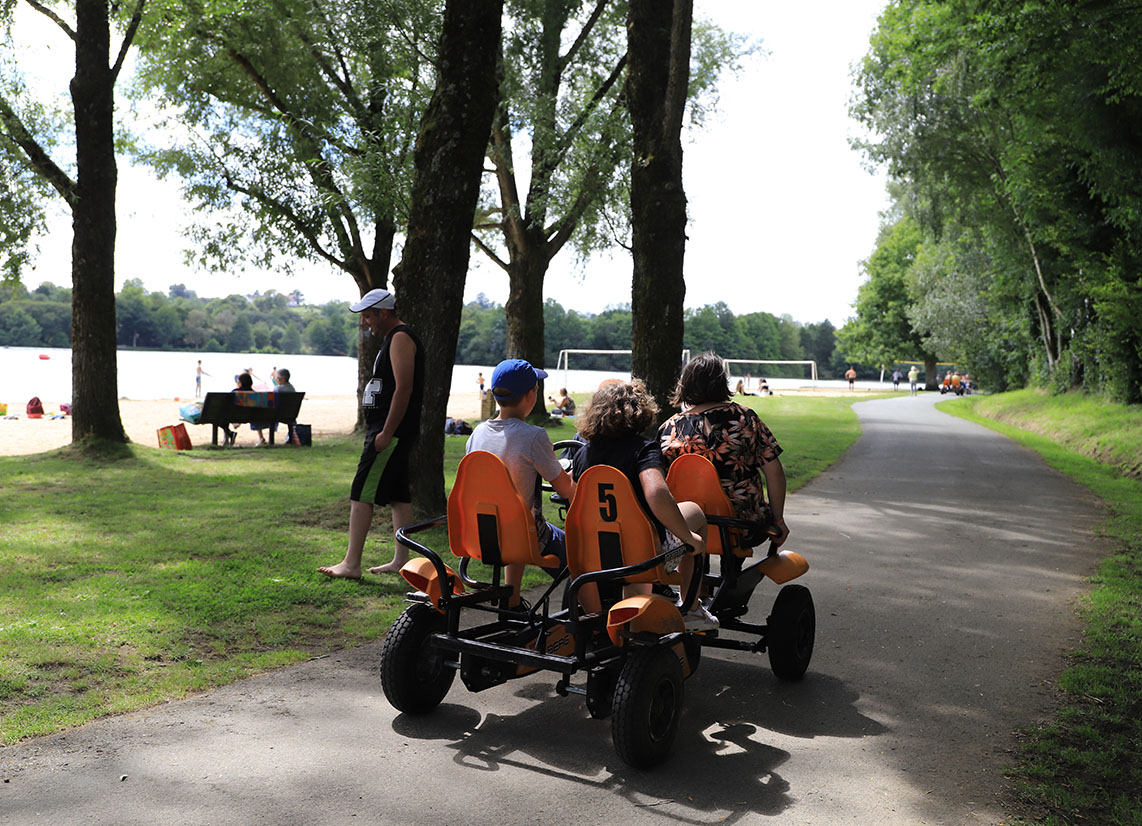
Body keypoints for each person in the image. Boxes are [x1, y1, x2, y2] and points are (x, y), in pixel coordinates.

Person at [571, 379, 715, 630]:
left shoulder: (583, 454)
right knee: (695, 512)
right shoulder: (644, 449)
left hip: (596, 553)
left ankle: (616, 623)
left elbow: (575, 506)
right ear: (640, 411)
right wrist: (688, 538)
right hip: (645, 553)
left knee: (631, 538)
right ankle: (691, 608)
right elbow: (657, 492)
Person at [318, 288, 424, 579]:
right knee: (399, 495)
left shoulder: (401, 338)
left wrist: (386, 432)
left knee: (361, 492)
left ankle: (351, 564)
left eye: (368, 315)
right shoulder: (393, 338)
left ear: (384, 312)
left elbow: (404, 388)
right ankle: (401, 561)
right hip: (390, 430)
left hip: (388, 431)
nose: (365, 322)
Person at [467, 359, 576, 607]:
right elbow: (565, 489)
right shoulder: (534, 436)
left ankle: (512, 601)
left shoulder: (477, 434)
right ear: (530, 396)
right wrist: (574, 479)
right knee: (582, 558)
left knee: (516, 517)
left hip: (482, 532)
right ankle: (590, 622)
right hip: (523, 537)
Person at [659, 351, 790, 553]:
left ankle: (696, 578)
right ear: (722, 383)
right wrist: (778, 519)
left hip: (685, 524)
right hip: (742, 524)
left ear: (686, 384)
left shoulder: (670, 429)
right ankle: (733, 571)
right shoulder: (746, 419)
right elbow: (774, 473)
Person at [253, 368, 297, 445]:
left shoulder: (277, 388)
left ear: (281, 379)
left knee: (256, 414)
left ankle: (261, 438)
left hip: (276, 414)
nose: (275, 379)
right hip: (290, 414)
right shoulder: (292, 388)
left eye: (276, 378)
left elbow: (271, 402)